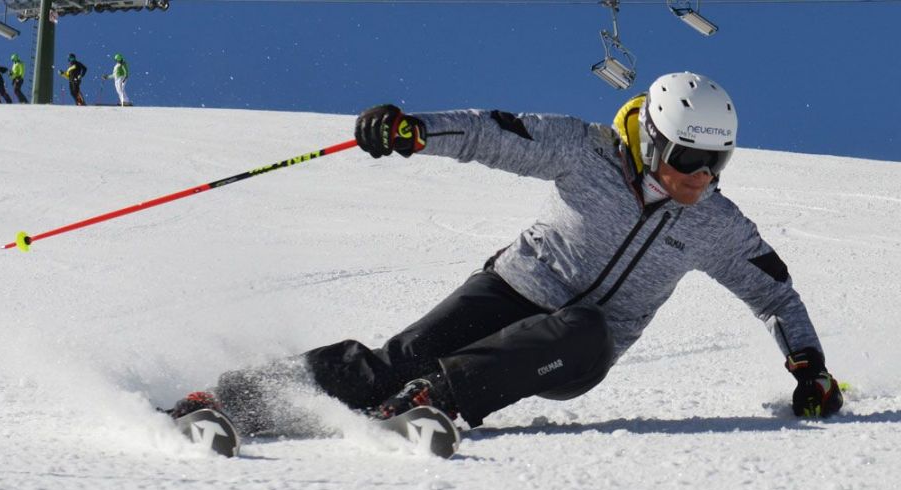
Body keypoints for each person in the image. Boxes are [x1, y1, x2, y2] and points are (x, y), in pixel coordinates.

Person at [170, 71, 844, 434]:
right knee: (391, 361)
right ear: (654, 142)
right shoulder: (588, 154)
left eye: (715, 163)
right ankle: (231, 401)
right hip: (511, 288)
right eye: (688, 159)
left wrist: (809, 369)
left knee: (584, 330)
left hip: (576, 348)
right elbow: (493, 134)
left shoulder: (715, 224)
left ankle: (437, 399)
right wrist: (411, 131)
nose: (700, 177)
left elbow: (774, 293)